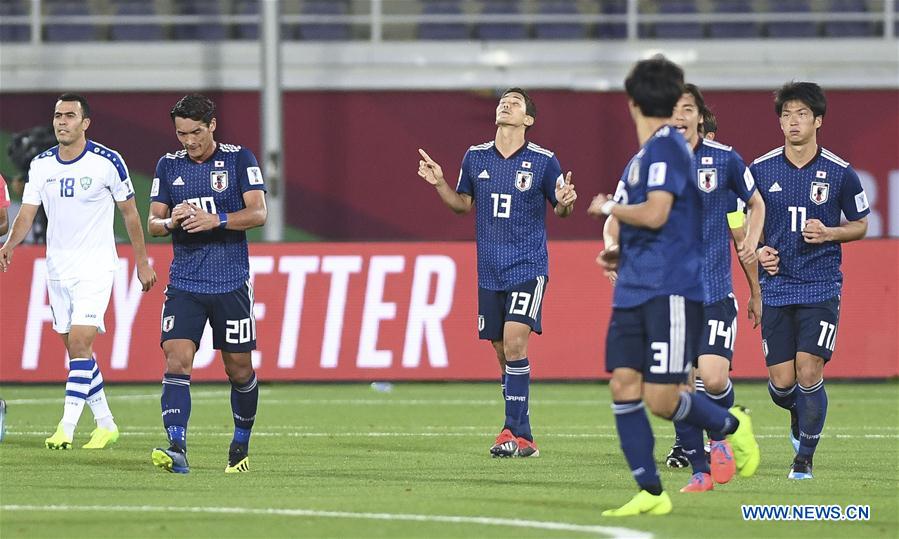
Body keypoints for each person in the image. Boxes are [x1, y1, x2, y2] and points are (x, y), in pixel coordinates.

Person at [587, 56, 759, 517]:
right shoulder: (643, 158)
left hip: (671, 290)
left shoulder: (666, 149)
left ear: (633, 103)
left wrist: (609, 209)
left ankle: (729, 423)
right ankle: (650, 490)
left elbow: (657, 212)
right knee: (624, 385)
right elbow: (644, 219)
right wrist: (616, 248)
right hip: (633, 289)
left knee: (663, 399)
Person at [417, 88, 577, 458]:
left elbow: (561, 210)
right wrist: (440, 183)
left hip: (528, 266)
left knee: (516, 341)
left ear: (528, 120)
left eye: (515, 103)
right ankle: (526, 437)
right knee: (503, 350)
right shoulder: (475, 158)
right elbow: (462, 206)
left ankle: (509, 430)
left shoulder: (543, 161)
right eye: (503, 101)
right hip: (489, 271)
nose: (506, 105)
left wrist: (566, 202)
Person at [0, 93, 156, 449]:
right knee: (76, 352)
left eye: (70, 115)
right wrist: (9, 245)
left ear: (85, 123)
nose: (61, 122)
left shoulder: (107, 162)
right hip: (57, 268)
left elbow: (130, 213)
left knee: (83, 342)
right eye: (57, 115)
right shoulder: (41, 165)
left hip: (96, 266)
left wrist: (143, 261)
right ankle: (106, 424)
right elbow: (26, 213)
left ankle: (66, 428)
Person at [751, 82, 869, 480]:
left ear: (817, 120)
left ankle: (804, 459)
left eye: (801, 114)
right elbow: (745, 225)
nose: (793, 121)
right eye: (786, 114)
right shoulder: (760, 170)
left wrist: (830, 233)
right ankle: (798, 414)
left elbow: (861, 224)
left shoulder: (840, 173)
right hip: (778, 286)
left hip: (820, 285)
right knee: (782, 384)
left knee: (809, 371)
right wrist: (759, 249)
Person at [148, 94, 267, 474]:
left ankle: (240, 443)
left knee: (239, 371)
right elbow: (154, 222)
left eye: (196, 132)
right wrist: (172, 222)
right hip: (185, 282)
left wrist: (215, 220)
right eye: (182, 133)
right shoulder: (168, 165)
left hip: (231, 281)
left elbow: (259, 212)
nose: (189, 141)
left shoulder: (238, 159)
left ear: (212, 125)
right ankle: (177, 447)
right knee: (177, 358)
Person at [663, 84, 766, 493]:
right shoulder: (651, 163)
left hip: (715, 292)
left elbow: (755, 204)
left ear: (700, 117)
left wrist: (751, 246)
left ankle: (724, 432)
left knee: (712, 377)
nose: (679, 116)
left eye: (687, 109)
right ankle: (700, 470)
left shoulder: (724, 161)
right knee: (678, 384)